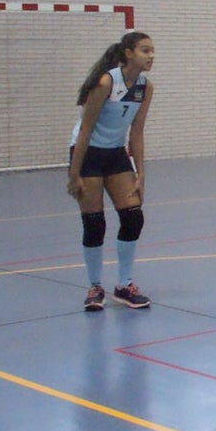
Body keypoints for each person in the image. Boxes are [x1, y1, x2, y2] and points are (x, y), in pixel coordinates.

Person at [68, 32, 156, 310]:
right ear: (128, 53)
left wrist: (140, 173)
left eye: (153, 51)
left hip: (116, 154)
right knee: (94, 223)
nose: (151, 55)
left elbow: (137, 133)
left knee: (133, 217)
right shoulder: (107, 82)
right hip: (89, 154)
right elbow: (85, 129)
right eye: (145, 50)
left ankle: (124, 284)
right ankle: (95, 287)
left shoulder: (145, 87)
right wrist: (74, 173)